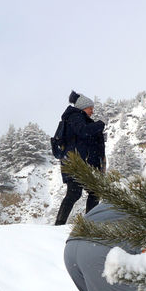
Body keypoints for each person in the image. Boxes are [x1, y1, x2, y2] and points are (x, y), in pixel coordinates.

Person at [53, 91, 106, 225]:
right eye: (90, 108)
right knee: (75, 193)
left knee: (93, 191)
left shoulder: (78, 118)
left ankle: (89, 223)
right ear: (83, 107)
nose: (92, 112)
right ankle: (61, 224)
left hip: (80, 163)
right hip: (75, 163)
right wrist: (99, 125)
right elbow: (83, 132)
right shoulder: (75, 117)